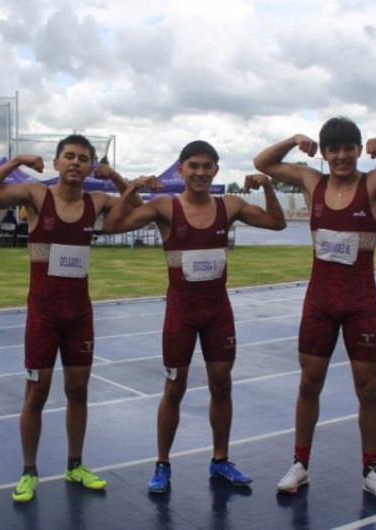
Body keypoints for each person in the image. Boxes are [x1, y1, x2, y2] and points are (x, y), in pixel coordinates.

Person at [253, 117, 376, 504]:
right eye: (333, 149)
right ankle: (300, 464)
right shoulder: (312, 181)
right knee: (308, 384)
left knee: (368, 390)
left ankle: (371, 471)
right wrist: (293, 139)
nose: (341, 156)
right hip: (319, 304)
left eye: (348, 148)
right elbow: (264, 163)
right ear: (324, 154)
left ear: (359, 150)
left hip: (360, 305)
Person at [102, 140, 287, 494]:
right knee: (174, 388)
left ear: (216, 170)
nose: (200, 173)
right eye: (194, 166)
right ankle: (162, 463)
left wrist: (268, 186)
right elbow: (111, 226)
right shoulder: (165, 207)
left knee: (222, 384)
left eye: (207, 166)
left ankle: (220, 460)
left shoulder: (229, 205)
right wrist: (132, 188)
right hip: (181, 315)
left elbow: (277, 223)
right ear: (181, 169)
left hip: (218, 314)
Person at [0, 134, 134, 503]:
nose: (75, 163)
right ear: (58, 163)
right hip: (43, 315)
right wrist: (16, 162)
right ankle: (29, 471)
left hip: (79, 315)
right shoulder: (36, 195)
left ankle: (75, 465)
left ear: (91, 167)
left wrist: (116, 177)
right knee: (36, 394)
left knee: (78, 391)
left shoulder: (97, 201)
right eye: (69, 156)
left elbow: (137, 208)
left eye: (83, 158)